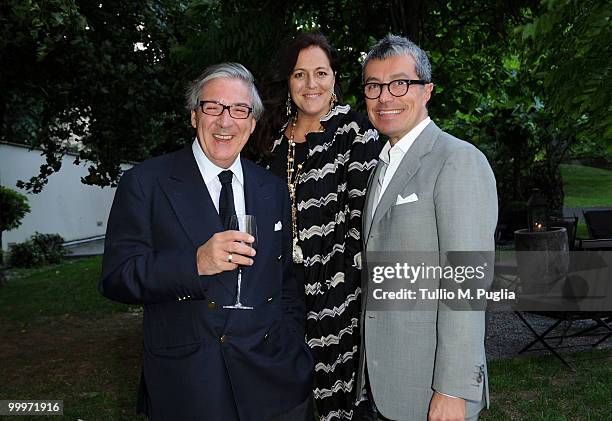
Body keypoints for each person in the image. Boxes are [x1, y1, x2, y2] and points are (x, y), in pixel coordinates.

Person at [99, 62, 314, 421]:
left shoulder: (272, 189)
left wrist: (293, 344)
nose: (225, 121)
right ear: (194, 116)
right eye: (213, 107)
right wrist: (193, 264)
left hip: (277, 385)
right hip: (191, 387)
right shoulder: (145, 183)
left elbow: (285, 280)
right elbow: (117, 277)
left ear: (252, 122)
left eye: (239, 110)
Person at [356, 35, 498, 421]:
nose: (385, 96)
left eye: (400, 83)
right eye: (374, 86)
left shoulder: (458, 160)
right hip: (383, 384)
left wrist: (452, 389)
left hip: (432, 391)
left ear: (427, 91)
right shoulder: (381, 167)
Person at [252, 32, 381, 420]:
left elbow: (367, 219)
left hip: (338, 292)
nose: (311, 85)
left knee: (335, 397)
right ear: (287, 81)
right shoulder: (271, 138)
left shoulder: (356, 132)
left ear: (335, 77)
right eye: (299, 75)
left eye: (320, 73)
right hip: (277, 290)